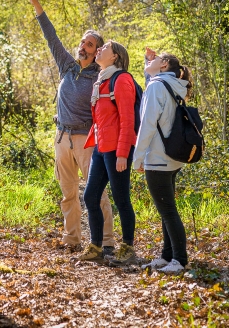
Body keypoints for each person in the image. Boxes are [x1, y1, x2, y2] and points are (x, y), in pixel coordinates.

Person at [20, 0, 116, 252]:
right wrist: (36, 2)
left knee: (96, 193)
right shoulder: (67, 66)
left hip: (87, 139)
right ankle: (72, 239)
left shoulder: (101, 75)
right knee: (68, 194)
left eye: (89, 44)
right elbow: (51, 36)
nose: (83, 46)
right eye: (82, 42)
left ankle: (107, 241)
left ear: (97, 51)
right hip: (62, 137)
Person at [132, 50, 193, 275]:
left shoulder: (156, 87)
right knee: (166, 209)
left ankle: (180, 259)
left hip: (156, 158)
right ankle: (167, 255)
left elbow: (147, 125)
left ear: (164, 64)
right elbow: (152, 74)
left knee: (167, 211)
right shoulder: (175, 85)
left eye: (154, 61)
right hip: (172, 157)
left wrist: (137, 158)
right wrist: (149, 62)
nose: (149, 62)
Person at [79, 41, 138, 264]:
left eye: (105, 49)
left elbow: (127, 119)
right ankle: (96, 246)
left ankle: (127, 248)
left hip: (117, 149)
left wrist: (123, 153)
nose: (100, 50)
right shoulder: (101, 80)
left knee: (122, 199)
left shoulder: (122, 79)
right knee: (90, 195)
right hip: (101, 148)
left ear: (115, 57)